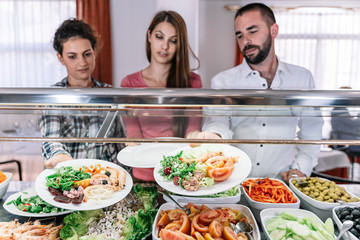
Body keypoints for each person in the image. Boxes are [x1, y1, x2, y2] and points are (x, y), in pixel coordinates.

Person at [191, 3, 324, 183]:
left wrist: (300, 169)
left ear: (273, 30)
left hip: (281, 185)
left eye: (252, 31)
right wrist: (214, 136)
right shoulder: (222, 82)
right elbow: (218, 123)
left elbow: (312, 133)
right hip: (233, 182)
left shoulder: (302, 78)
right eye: (240, 35)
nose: (245, 41)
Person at [121, 10, 203, 182]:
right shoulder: (129, 83)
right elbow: (133, 133)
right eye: (159, 37)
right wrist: (133, 143)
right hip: (143, 174)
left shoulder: (194, 83)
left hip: (178, 175)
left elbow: (192, 133)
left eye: (173, 41)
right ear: (149, 36)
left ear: (179, 45)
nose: (164, 46)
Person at [40, 18, 123, 168]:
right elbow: (51, 141)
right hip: (68, 178)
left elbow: (120, 144)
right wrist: (59, 156)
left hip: (106, 180)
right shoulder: (53, 96)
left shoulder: (110, 94)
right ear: (61, 58)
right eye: (72, 56)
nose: (82, 62)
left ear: (94, 52)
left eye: (87, 54)